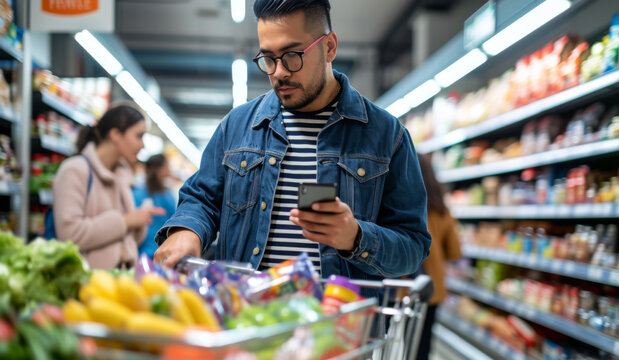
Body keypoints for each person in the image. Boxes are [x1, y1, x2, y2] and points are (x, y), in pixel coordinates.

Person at [153, 0, 431, 293]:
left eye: (292, 55)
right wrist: (187, 231)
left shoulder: (388, 135)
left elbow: (413, 245)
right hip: (246, 320)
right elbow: (202, 199)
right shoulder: (236, 127)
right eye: (268, 58)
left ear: (329, 47)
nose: (279, 72)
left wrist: (356, 237)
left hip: (338, 327)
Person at [52, 102, 165, 269]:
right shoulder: (75, 170)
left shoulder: (122, 176)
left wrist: (139, 221)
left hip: (117, 284)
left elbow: (128, 239)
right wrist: (126, 221)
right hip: (84, 285)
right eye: (138, 136)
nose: (142, 145)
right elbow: (70, 235)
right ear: (115, 134)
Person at [415, 153, 461, 360]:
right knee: (422, 348)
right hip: (431, 289)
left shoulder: (396, 204)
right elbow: (454, 251)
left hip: (400, 290)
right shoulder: (441, 209)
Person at [133, 154, 177, 259]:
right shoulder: (167, 197)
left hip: (139, 253)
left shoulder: (135, 193)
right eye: (166, 166)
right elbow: (174, 225)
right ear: (159, 169)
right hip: (161, 254)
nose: (169, 170)